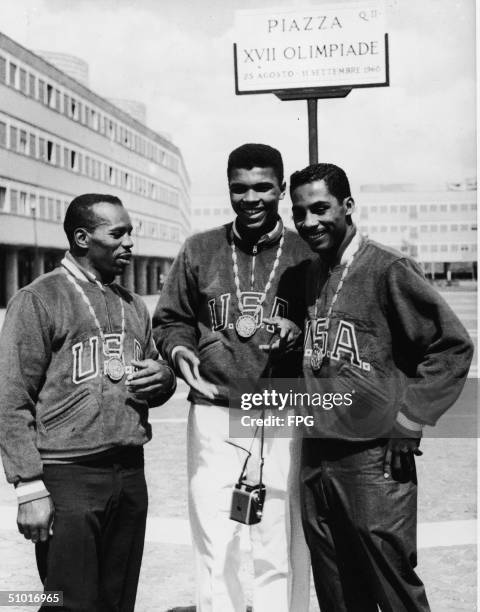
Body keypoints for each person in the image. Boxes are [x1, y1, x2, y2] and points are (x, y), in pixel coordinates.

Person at [289, 163, 474, 612]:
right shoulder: (314, 272)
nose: (309, 222)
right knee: (335, 588)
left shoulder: (388, 268)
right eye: (300, 213)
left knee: (391, 587)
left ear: (348, 206)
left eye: (320, 209)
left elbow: (451, 348)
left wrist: (410, 419)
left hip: (373, 460)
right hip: (318, 455)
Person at [153, 143, 312, 612]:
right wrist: (182, 354)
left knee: (278, 539)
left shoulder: (307, 250)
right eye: (239, 188)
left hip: (283, 408)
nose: (251, 198)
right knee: (215, 537)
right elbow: (170, 321)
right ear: (227, 188)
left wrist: (298, 331)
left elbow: (328, 318)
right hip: (216, 408)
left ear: (281, 188)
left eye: (263, 187)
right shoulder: (200, 248)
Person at [0, 194, 176, 612]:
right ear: (82, 238)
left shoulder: (132, 303)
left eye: (130, 231)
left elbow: (155, 371)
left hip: (130, 472)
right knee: (69, 602)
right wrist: (28, 488)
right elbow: (10, 399)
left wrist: (164, 378)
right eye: (118, 233)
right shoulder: (38, 299)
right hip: (69, 475)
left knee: (117, 600)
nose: (129, 242)